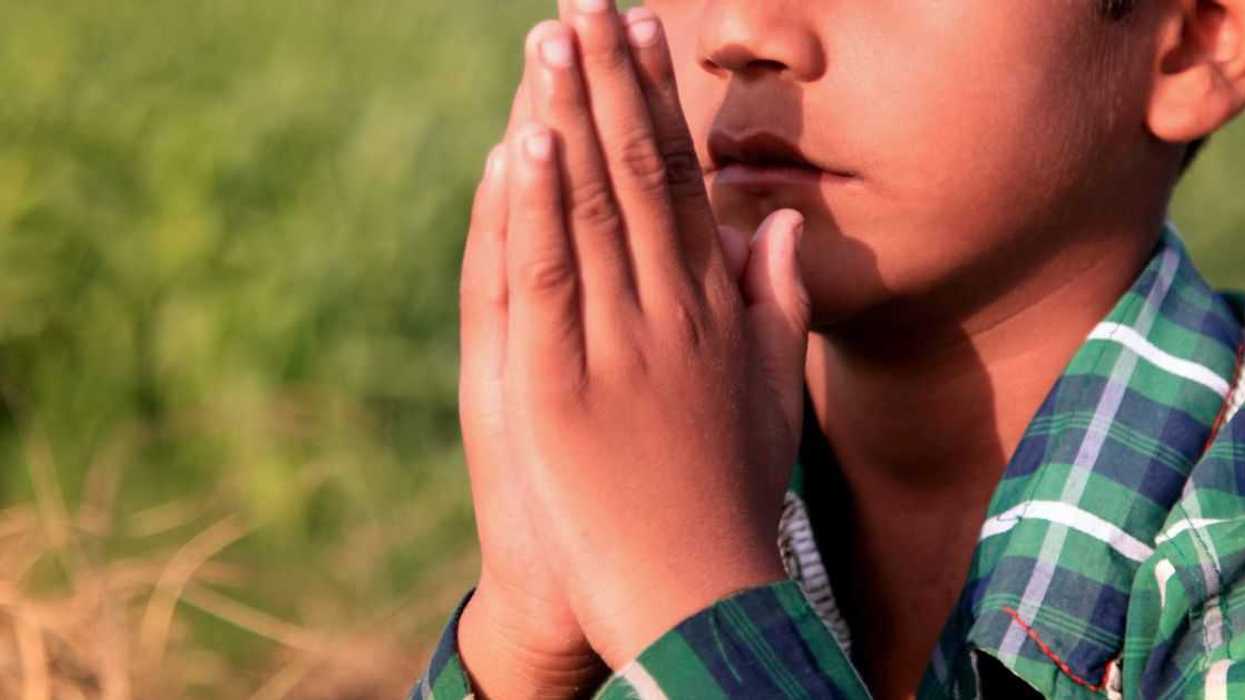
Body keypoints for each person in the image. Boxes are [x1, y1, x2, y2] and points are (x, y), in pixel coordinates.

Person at [413, 0, 1245, 697]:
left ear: (1195, 41)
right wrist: (525, 640)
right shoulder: (655, 475)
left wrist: (687, 593)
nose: (739, 30)